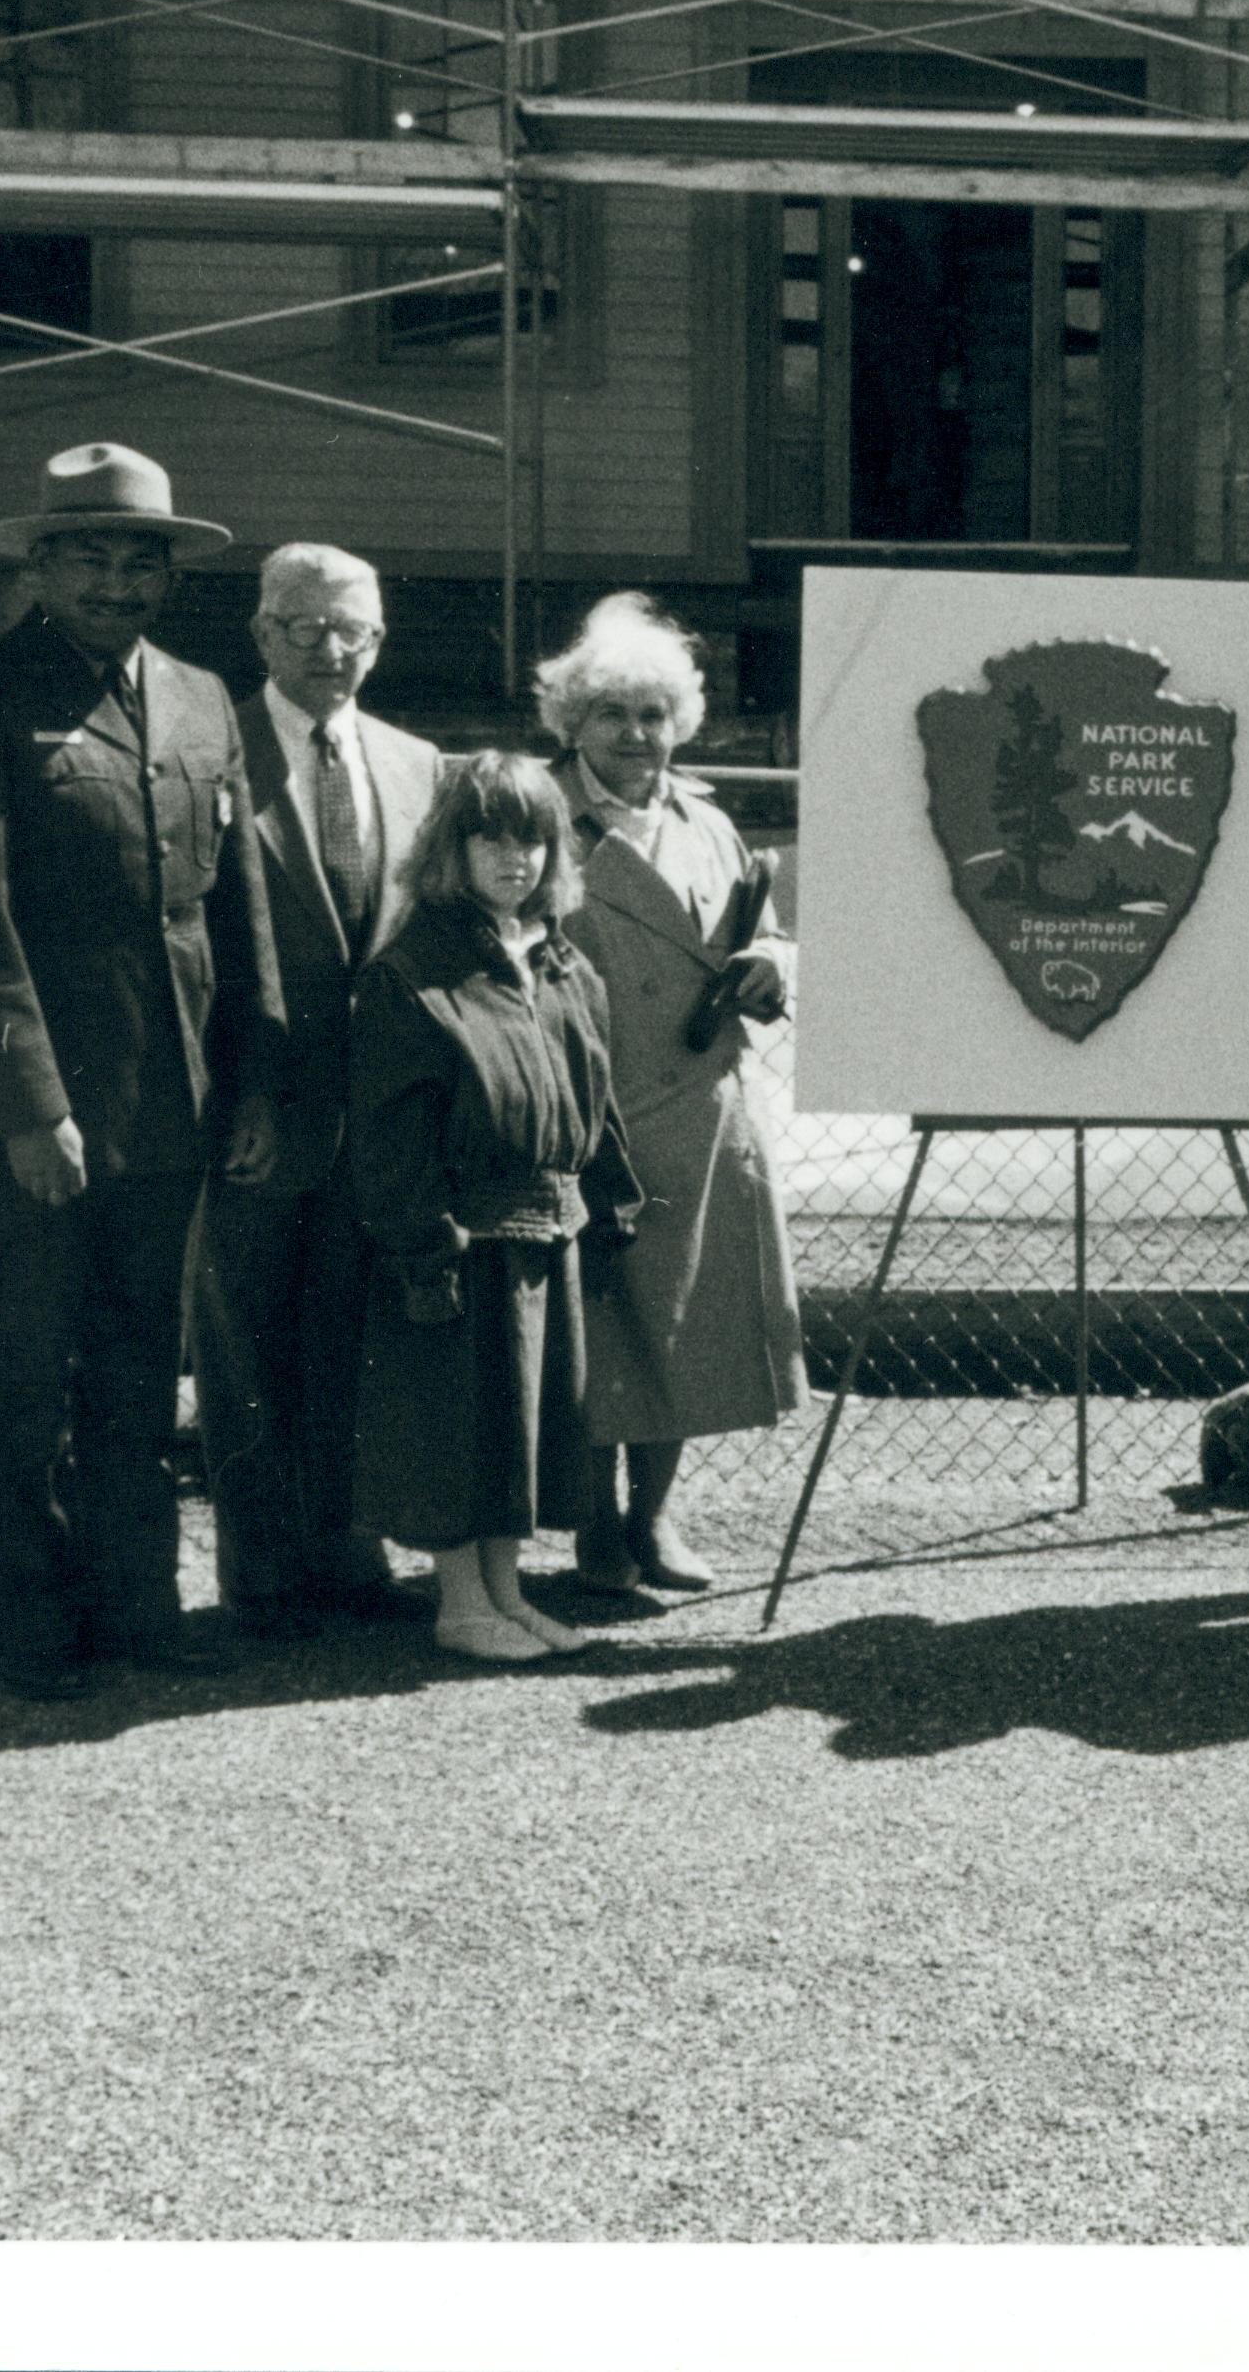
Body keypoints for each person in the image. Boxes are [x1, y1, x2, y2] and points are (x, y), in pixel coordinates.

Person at [0, 443, 259, 1698]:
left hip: (174, 1103)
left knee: (142, 1366)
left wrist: (250, 1084)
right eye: (89, 554)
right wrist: (30, 1105)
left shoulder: (202, 697)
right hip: (47, 1114)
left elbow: (229, 915)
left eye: (142, 558)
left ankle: (137, 1602)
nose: (118, 580)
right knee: (27, 1369)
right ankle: (26, 1623)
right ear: (40, 562)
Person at [195, 543, 442, 1641]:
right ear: (260, 634)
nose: (330, 650)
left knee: (357, 1335)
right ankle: (261, 1573)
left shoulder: (416, 763)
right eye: (303, 627)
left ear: (379, 640)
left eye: (353, 629)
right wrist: (235, 1089)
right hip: (258, 1108)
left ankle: (349, 1551)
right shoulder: (207, 749)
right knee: (243, 1339)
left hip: (378, 1113)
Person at [348, 754, 643, 1662]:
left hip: (547, 1228)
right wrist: (420, 1247)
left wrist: (610, 1203)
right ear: (452, 847)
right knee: (461, 1426)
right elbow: (390, 1135)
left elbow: (597, 1095)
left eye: (532, 838)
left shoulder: (558, 960)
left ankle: (507, 1596)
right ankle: (461, 1605)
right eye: (492, 837)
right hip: (461, 1238)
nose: (514, 857)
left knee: (524, 1430)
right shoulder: (416, 970)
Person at [537, 592, 803, 1597]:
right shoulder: (537, 814)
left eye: (655, 715)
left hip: (702, 1107)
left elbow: (760, 926)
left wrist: (771, 960)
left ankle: (654, 1517)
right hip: (591, 1112)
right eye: (614, 714)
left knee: (687, 1326)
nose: (638, 735)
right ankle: (595, 1528)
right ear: (574, 722)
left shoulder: (708, 821)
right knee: (603, 1330)